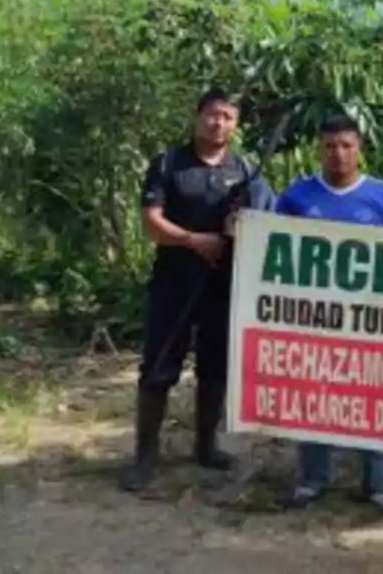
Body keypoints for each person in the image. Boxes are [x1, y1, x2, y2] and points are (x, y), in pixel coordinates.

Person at [121, 87, 276, 492]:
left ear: (235, 124)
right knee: (158, 369)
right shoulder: (170, 164)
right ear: (197, 116)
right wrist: (193, 240)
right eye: (212, 114)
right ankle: (145, 458)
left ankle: (206, 447)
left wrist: (240, 225)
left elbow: (263, 223)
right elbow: (151, 222)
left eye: (227, 116)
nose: (218, 123)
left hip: (222, 288)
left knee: (215, 369)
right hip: (174, 284)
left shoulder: (244, 171)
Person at [275, 115, 383, 518]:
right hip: (313, 319)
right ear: (320, 148)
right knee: (313, 395)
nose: (338, 153)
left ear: (359, 148)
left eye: (346, 145)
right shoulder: (297, 196)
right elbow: (272, 247)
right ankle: (312, 479)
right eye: (330, 146)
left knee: (372, 396)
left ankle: (378, 483)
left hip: (369, 320)